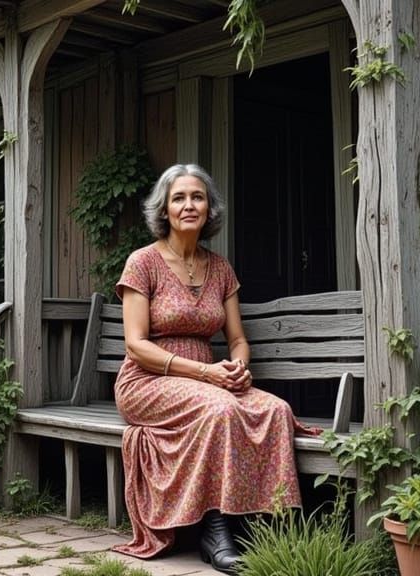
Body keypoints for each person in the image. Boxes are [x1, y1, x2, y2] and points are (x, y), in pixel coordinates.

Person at [112, 164, 319, 573]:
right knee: (220, 409)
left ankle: (271, 523)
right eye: (179, 198)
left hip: (210, 379)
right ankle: (215, 527)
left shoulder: (220, 268)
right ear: (165, 209)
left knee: (275, 410)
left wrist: (239, 367)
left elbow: (238, 339)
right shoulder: (143, 263)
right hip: (150, 380)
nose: (189, 205)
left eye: (197, 197)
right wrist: (206, 374)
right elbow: (136, 346)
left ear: (209, 209)